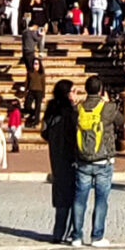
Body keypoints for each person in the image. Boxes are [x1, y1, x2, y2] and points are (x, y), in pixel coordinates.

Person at [68, 76, 118, 246]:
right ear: (101, 90)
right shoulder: (107, 108)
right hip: (103, 160)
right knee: (101, 199)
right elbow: (121, 121)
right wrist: (109, 102)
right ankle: (97, 236)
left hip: (82, 160)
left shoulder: (79, 108)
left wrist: (73, 102)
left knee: (79, 198)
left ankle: (76, 236)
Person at [42, 79, 79, 240]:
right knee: (71, 195)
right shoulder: (70, 112)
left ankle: (59, 231)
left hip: (55, 155)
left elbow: (44, 133)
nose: (75, 94)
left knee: (60, 193)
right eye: (74, 91)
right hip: (70, 156)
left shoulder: (51, 110)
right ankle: (66, 232)